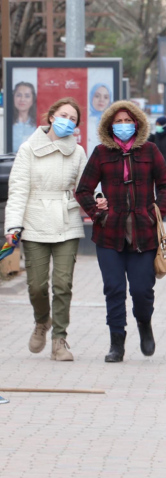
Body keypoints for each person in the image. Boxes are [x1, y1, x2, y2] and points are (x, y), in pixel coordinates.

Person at [75, 100, 166, 363]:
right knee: (114, 289)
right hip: (109, 234)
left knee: (142, 290)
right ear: (110, 126)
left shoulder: (150, 150)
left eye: (127, 121)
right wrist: (98, 212)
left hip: (144, 233)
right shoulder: (100, 153)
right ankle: (116, 342)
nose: (123, 126)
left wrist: (156, 211)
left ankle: (145, 324)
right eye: (117, 122)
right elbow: (83, 190)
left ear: (137, 124)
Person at [5, 98, 87, 361]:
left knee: (63, 284)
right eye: (63, 115)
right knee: (37, 287)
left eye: (73, 119)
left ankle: (59, 340)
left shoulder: (78, 152)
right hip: (34, 220)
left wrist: (97, 203)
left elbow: (85, 188)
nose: (67, 121)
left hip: (66, 220)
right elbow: (18, 189)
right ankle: (42, 321)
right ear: (51, 117)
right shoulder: (28, 148)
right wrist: (13, 226)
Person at [12, 82, 38, 152]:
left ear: (33, 100)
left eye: (27, 96)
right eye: (19, 95)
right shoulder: (6, 123)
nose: (22, 99)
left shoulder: (38, 124)